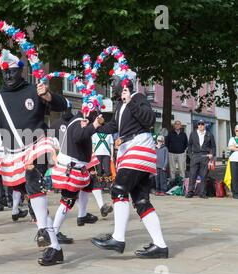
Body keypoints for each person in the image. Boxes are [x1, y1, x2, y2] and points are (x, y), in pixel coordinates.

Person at [0, 49, 68, 266]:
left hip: (37, 143)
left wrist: (48, 95)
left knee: (32, 181)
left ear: (21, 70)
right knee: (31, 200)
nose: (8, 76)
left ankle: (43, 232)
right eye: (4, 73)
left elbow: (63, 105)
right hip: (12, 153)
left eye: (12, 72)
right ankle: (54, 248)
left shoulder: (34, 89)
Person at [91, 70, 168, 259]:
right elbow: (115, 127)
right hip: (129, 149)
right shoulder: (120, 104)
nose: (112, 84)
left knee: (118, 189)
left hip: (139, 147)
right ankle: (160, 245)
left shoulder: (138, 98)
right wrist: (96, 126)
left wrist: (130, 101)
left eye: (115, 81)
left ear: (125, 83)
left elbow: (149, 120)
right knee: (141, 200)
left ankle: (118, 238)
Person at [50, 110, 103, 256]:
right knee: (68, 200)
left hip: (75, 168)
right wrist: (94, 126)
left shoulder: (78, 120)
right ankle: (53, 232)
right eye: (97, 116)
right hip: (70, 169)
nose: (99, 118)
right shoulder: (80, 121)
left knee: (89, 184)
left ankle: (82, 215)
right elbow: (79, 136)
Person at [186, 119, 216, 199]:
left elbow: (213, 146)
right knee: (192, 175)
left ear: (205, 125)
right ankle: (190, 192)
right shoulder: (193, 133)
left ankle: (202, 193)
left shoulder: (209, 134)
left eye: (202, 124)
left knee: (204, 175)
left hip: (205, 156)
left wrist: (212, 154)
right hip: (195, 156)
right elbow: (189, 145)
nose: (200, 125)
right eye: (199, 124)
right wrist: (190, 155)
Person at [228, 124, 238, 199]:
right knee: (234, 177)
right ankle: (235, 193)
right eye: (237, 130)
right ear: (235, 131)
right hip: (234, 160)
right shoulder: (232, 139)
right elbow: (231, 147)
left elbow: (234, 147)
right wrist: (234, 147)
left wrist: (236, 147)